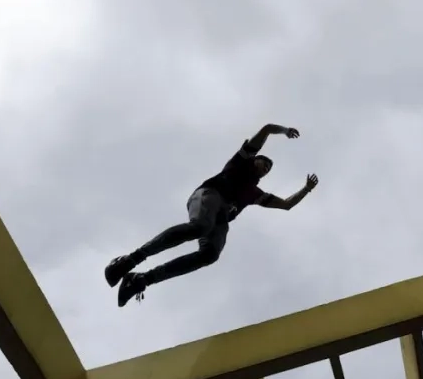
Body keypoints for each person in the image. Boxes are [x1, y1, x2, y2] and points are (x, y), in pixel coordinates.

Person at [105, 123, 319, 307]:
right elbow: (266, 129)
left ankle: (140, 280)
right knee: (200, 227)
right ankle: (129, 260)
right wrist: (284, 131)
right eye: (264, 163)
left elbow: (286, 205)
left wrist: (306, 189)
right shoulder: (240, 163)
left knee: (210, 255)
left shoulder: (254, 193)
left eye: (268, 169)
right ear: (254, 160)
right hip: (209, 196)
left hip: (221, 218)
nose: (266, 169)